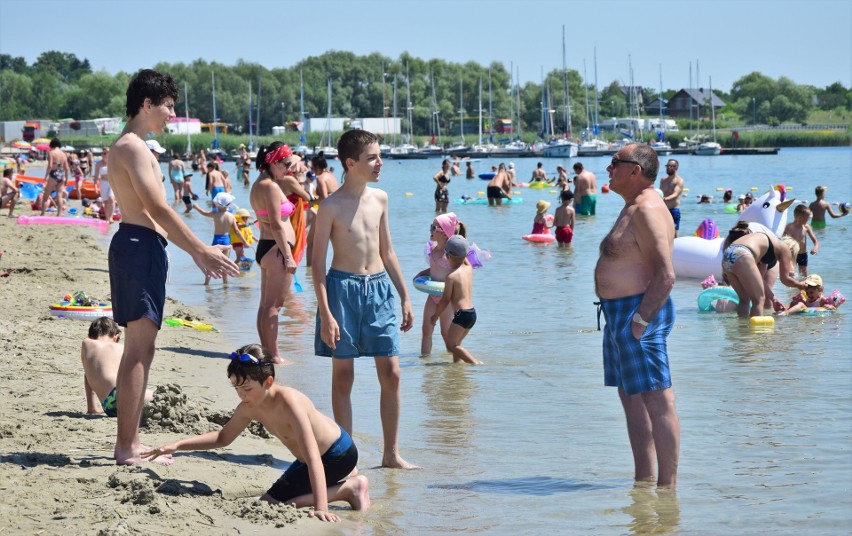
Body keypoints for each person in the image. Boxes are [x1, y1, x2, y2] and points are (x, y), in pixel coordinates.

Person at [108, 69, 239, 465]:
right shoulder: (132, 147)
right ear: (147, 104)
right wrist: (200, 249)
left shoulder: (130, 146)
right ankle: (127, 446)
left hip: (136, 246)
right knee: (138, 350)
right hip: (138, 246)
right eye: (168, 107)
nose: (171, 115)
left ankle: (128, 442)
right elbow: (158, 208)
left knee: (141, 350)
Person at [141, 344, 371, 521]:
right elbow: (223, 438)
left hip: (337, 453)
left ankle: (351, 488)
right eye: (236, 388)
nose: (241, 394)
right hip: (310, 460)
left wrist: (321, 509)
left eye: (247, 388)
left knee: (278, 505)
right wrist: (177, 445)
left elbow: (313, 458)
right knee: (267, 501)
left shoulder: (290, 403)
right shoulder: (248, 407)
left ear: (268, 381)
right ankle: (346, 484)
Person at [311, 129, 417, 469]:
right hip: (342, 290)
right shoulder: (329, 207)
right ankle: (347, 458)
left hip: (380, 288)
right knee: (344, 377)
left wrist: (405, 296)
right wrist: (326, 312)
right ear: (350, 163)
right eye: (372, 157)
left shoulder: (381, 199)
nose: (379, 162)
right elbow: (316, 265)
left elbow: (387, 250)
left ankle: (391, 454)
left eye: (379, 155)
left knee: (393, 373)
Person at [595, 143, 679, 487]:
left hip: (639, 312)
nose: (608, 168)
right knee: (631, 398)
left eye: (616, 162)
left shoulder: (647, 208)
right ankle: (643, 482)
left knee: (657, 397)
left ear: (636, 170)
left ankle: (667, 487)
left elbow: (666, 274)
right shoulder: (631, 206)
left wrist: (642, 319)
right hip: (618, 313)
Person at [250, 142, 311, 365]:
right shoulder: (272, 187)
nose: (288, 169)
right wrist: (288, 255)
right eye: (285, 164)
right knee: (274, 307)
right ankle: (274, 356)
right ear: (273, 162)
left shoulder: (258, 184)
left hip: (267, 248)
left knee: (265, 306)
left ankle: (264, 351)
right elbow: (276, 225)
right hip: (277, 249)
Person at [721, 221, 807, 317]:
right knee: (759, 300)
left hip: (727, 255)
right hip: (743, 254)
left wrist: (774, 299)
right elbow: (785, 279)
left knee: (744, 299)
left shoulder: (766, 247)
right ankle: (756, 331)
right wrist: (799, 285)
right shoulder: (785, 248)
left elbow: (760, 280)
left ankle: (743, 329)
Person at [413, 212, 467, 356]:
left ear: (444, 233)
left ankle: (454, 362)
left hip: (446, 299)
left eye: (433, 228)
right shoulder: (432, 250)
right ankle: (425, 362)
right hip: (432, 296)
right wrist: (422, 273)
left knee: (446, 332)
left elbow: (459, 272)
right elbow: (433, 269)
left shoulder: (449, 254)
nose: (430, 230)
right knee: (426, 329)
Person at [81, 317, 153, 416]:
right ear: (116, 336)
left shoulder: (86, 344)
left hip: (108, 406)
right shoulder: (119, 347)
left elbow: (87, 376)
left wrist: (91, 407)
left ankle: (93, 408)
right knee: (160, 398)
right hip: (121, 394)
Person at [430, 235, 481, 365]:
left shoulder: (451, 277)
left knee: (451, 345)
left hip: (461, 315)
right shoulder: (469, 269)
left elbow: (445, 301)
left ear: (447, 256)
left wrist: (435, 316)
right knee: (457, 344)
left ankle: (476, 363)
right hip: (472, 314)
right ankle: (456, 368)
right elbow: (463, 257)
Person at [192, 192, 244, 284]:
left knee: (211, 262)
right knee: (225, 263)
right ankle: (225, 283)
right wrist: (245, 242)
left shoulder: (215, 214)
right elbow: (236, 231)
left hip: (216, 240)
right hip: (226, 241)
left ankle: (207, 282)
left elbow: (204, 213)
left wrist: (196, 207)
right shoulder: (231, 216)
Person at [783, 204, 819, 277]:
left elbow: (815, 241)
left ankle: (802, 288)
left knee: (804, 276)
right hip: (792, 254)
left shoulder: (806, 227)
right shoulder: (789, 227)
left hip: (803, 254)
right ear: (799, 217)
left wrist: (815, 247)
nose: (809, 219)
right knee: (791, 273)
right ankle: (791, 286)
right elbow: (781, 240)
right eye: (807, 218)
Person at [41, 138, 70, 217]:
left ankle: (43, 214)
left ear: (52, 145)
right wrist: (67, 179)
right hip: (61, 175)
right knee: (59, 196)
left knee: (45, 196)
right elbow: (67, 168)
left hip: (53, 174)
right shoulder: (63, 154)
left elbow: (50, 165)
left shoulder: (51, 153)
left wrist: (45, 177)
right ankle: (59, 214)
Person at [659, 159, 684, 237]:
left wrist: (665, 199)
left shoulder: (679, 180)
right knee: (662, 231)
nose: (668, 168)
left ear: (676, 167)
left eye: (670, 166)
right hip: (663, 209)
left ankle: (675, 248)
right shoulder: (663, 180)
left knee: (674, 232)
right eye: (667, 166)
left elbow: (676, 194)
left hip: (674, 209)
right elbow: (660, 193)